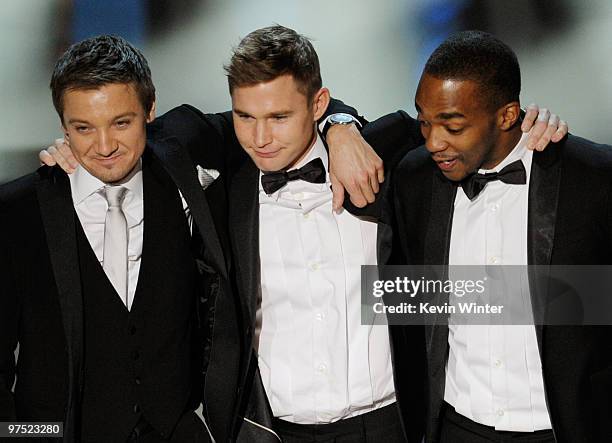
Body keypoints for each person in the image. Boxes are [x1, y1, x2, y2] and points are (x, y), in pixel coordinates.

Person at [39, 26, 565, 442]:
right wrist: (72, 146)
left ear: (318, 105)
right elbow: (135, 137)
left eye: (280, 116)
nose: (260, 137)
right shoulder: (224, 183)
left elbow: (470, 139)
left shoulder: (388, 160)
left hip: (386, 423)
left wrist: (527, 130)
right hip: (267, 428)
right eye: (245, 116)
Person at [367, 30, 612, 442]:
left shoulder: (593, 178)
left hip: (563, 429)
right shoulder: (413, 180)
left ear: (507, 116)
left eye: (452, 126)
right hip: (456, 425)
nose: (433, 142)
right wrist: (339, 125)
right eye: (425, 123)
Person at [0, 35, 231, 442]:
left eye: (121, 123)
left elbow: (282, 114)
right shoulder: (15, 211)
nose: (105, 147)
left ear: (150, 110)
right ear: (62, 125)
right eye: (83, 128)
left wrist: (340, 127)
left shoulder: (180, 154)